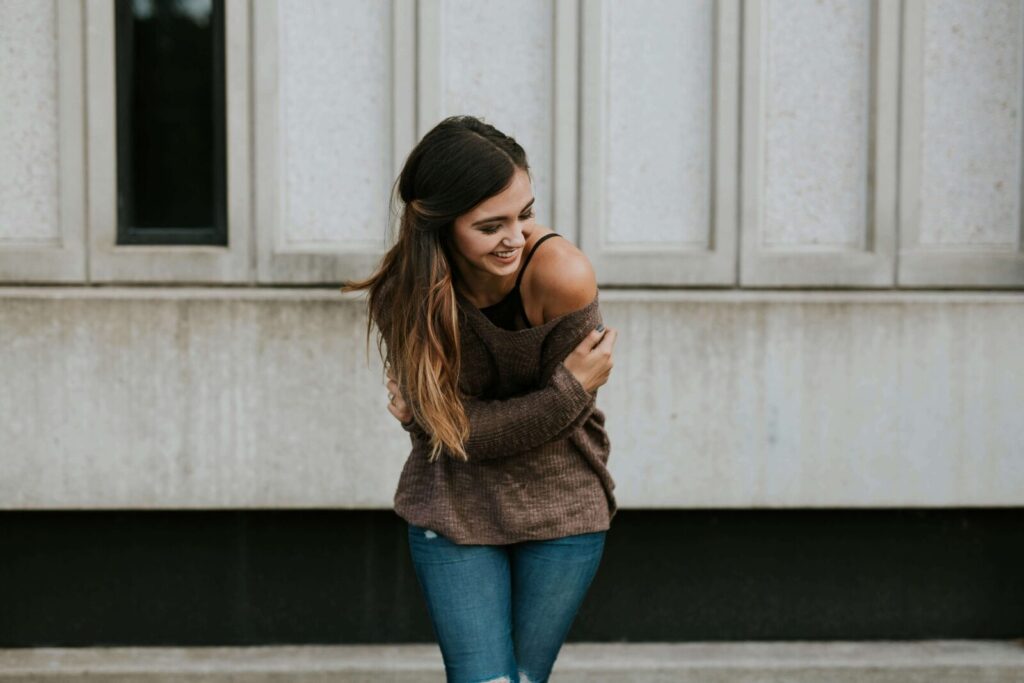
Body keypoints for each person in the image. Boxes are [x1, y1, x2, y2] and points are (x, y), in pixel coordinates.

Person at [342, 115, 618, 683]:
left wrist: (440, 421)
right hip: (452, 504)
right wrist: (564, 391)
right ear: (438, 225)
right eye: (491, 225)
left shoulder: (561, 275)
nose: (515, 237)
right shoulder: (406, 293)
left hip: (561, 506)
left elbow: (466, 425)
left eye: (525, 213)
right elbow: (451, 431)